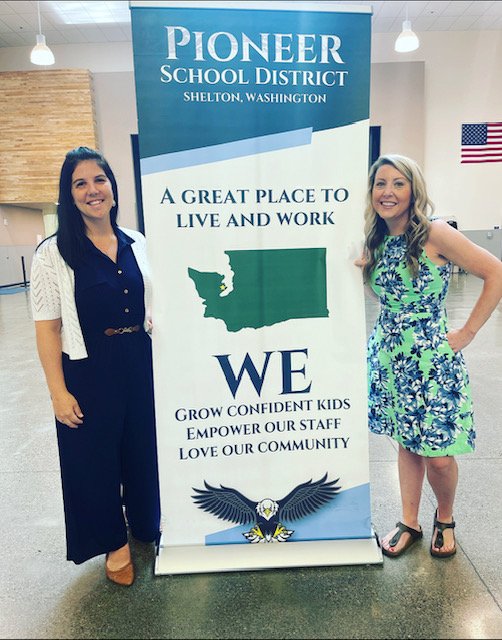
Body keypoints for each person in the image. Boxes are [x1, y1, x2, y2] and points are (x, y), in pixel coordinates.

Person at [357, 154, 502, 558]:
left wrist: (467, 332)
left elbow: (497, 272)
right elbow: (387, 297)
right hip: (390, 355)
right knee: (407, 442)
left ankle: (445, 517)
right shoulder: (375, 239)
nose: (387, 192)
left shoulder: (434, 234)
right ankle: (409, 521)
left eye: (398, 183)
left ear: (413, 190)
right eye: (380, 184)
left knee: (437, 455)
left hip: (432, 359)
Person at [30, 147, 161, 585]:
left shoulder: (136, 241)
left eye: (99, 180)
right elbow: (47, 328)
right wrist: (57, 391)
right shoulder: (54, 253)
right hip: (89, 368)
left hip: (140, 360)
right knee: (94, 458)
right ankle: (113, 542)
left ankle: (146, 524)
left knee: (142, 448)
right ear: (69, 196)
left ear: (112, 186)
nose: (92, 190)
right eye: (79, 184)